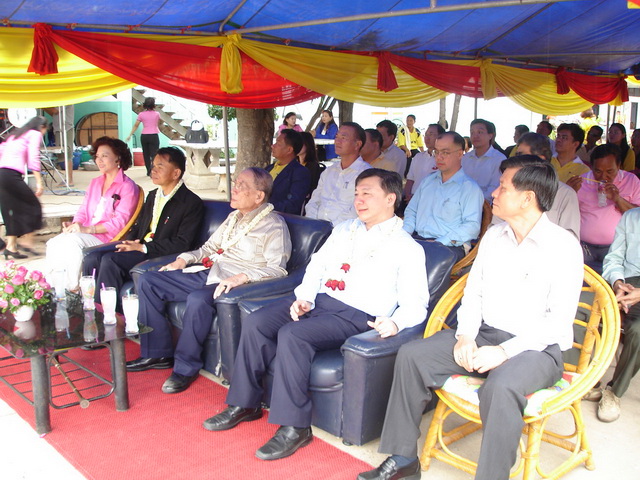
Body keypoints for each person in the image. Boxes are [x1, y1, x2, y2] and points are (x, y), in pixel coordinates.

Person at [360, 157, 583, 480]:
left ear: (527, 198)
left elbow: (558, 322)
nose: (494, 193)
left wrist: (503, 352)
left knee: (501, 387)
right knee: (412, 355)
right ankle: (403, 457)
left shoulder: (563, 247)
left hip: (537, 350)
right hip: (484, 334)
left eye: (503, 187)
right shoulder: (494, 237)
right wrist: (465, 335)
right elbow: (473, 293)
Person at [203, 168, 429, 462]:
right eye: (356, 193)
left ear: (390, 199)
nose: (359, 200)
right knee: (258, 321)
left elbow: (417, 304)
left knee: (294, 334)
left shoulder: (406, 247)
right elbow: (316, 267)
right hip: (320, 301)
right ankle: (244, 403)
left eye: (367, 194)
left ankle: (295, 427)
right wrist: (305, 298)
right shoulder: (345, 229)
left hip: (356, 315)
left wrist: (396, 322)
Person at [126, 168, 291, 395]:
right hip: (208, 270)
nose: (234, 189)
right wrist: (183, 259)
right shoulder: (233, 217)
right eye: (235, 183)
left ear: (259, 196)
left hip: (235, 284)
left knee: (197, 299)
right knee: (149, 281)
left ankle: (185, 369)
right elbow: (209, 248)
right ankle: (157, 353)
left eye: (241, 185)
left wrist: (242, 277)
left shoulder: (274, 225)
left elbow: (278, 268)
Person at [82, 147, 204, 311]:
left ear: (176, 173)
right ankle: (89, 308)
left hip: (158, 253)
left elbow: (183, 243)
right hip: (139, 246)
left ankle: (108, 315)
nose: (153, 170)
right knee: (92, 257)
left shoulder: (190, 203)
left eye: (160, 166)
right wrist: (129, 243)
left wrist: (143, 247)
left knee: (111, 261)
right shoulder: (153, 195)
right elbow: (139, 226)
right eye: (153, 165)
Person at [46, 137, 139, 293]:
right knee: (54, 243)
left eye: (104, 156)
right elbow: (83, 210)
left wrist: (88, 230)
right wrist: (75, 225)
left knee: (73, 242)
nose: (99, 160)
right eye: (97, 156)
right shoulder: (95, 182)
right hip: (86, 233)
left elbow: (120, 223)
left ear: (118, 157)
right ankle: (54, 288)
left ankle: (72, 288)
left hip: (107, 237)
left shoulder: (127, 187)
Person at [403, 132, 483, 262]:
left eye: (445, 152)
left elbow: (472, 226)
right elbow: (412, 210)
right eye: (437, 152)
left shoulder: (469, 188)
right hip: (418, 240)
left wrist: (440, 242)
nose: (439, 157)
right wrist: (406, 233)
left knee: (422, 263)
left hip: (449, 246)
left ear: (460, 154)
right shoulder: (428, 181)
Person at [595, 207, 640, 422]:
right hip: (628, 281)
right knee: (587, 309)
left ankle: (614, 392)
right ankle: (586, 380)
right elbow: (614, 257)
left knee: (638, 330)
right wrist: (617, 283)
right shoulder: (631, 217)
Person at [566, 144, 640, 272]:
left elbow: (636, 216)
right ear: (592, 167)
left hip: (617, 249)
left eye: (610, 171)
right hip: (585, 248)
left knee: (612, 281)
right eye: (598, 171)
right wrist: (568, 192)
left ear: (619, 166)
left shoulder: (631, 181)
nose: (603, 177)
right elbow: (566, 213)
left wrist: (617, 199)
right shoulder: (582, 182)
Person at [508, 133, 581, 239]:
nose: (517, 161)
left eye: (521, 155)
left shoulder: (565, 194)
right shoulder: (508, 191)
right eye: (516, 155)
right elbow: (495, 229)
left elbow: (570, 239)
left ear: (539, 160)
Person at [305, 122, 371, 226]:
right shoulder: (329, 171)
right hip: (316, 228)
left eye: (343, 138)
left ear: (357, 144)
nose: (337, 141)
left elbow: (357, 211)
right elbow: (314, 201)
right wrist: (313, 223)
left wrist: (332, 229)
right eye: (337, 137)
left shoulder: (367, 175)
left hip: (344, 231)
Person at [0, 116, 46, 259]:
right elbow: (33, 157)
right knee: (34, 206)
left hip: (2, 173)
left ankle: (11, 247)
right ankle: (27, 242)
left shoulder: (14, 135)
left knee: (11, 210)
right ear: (42, 127)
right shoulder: (35, 134)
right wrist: (39, 182)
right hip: (11, 174)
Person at [266, 129, 311, 214]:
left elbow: (293, 204)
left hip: (279, 218)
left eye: (278, 143)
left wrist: (265, 208)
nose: (272, 146)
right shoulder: (268, 168)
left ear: (289, 150)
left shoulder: (300, 172)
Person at [462, 118, 506, 201]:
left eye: (480, 132)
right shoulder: (465, 158)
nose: (475, 136)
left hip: (485, 204)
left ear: (490, 135)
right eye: (472, 133)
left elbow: (495, 188)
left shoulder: (499, 159)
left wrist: (474, 201)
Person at [404, 123, 444, 202]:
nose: (427, 138)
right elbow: (410, 180)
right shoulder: (418, 157)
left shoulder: (444, 160)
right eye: (426, 135)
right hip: (412, 201)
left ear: (440, 137)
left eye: (431, 134)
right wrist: (408, 196)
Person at [126, 97, 162, 176]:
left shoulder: (141, 114)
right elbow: (157, 124)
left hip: (144, 136)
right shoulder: (157, 114)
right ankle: (154, 170)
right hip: (154, 135)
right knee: (154, 155)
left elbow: (136, 125)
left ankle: (149, 171)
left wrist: (130, 135)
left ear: (145, 105)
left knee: (146, 154)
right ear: (153, 105)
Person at [43, 105, 75, 185]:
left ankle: (70, 180)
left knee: (67, 155)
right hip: (58, 129)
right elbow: (53, 113)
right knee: (62, 156)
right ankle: (67, 178)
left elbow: (54, 111)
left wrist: (41, 105)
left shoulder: (65, 100)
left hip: (66, 129)